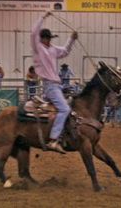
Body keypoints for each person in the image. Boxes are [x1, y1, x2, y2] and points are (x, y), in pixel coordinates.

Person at [32, 11, 77, 153]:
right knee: (65, 109)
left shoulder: (52, 49)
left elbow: (64, 51)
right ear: (43, 39)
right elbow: (33, 33)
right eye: (47, 38)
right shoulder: (38, 47)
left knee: (70, 105)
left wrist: (72, 39)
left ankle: (62, 134)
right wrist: (43, 17)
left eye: (49, 38)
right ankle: (54, 139)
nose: (49, 40)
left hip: (56, 85)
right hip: (51, 85)